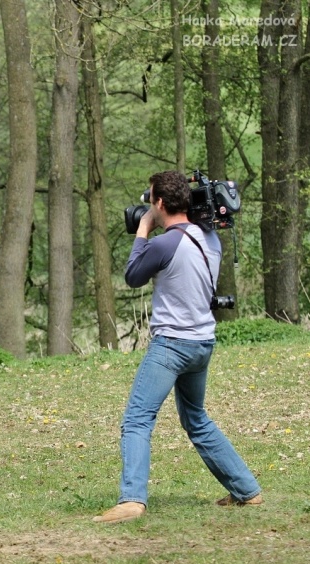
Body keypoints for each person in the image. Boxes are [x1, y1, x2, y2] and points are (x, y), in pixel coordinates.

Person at [93, 171, 261, 524]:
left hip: (172, 345)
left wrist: (142, 229)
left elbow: (132, 276)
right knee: (196, 419)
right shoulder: (210, 238)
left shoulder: (165, 244)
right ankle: (247, 489)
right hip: (202, 342)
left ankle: (131, 501)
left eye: (150, 200)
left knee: (137, 420)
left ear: (159, 203)